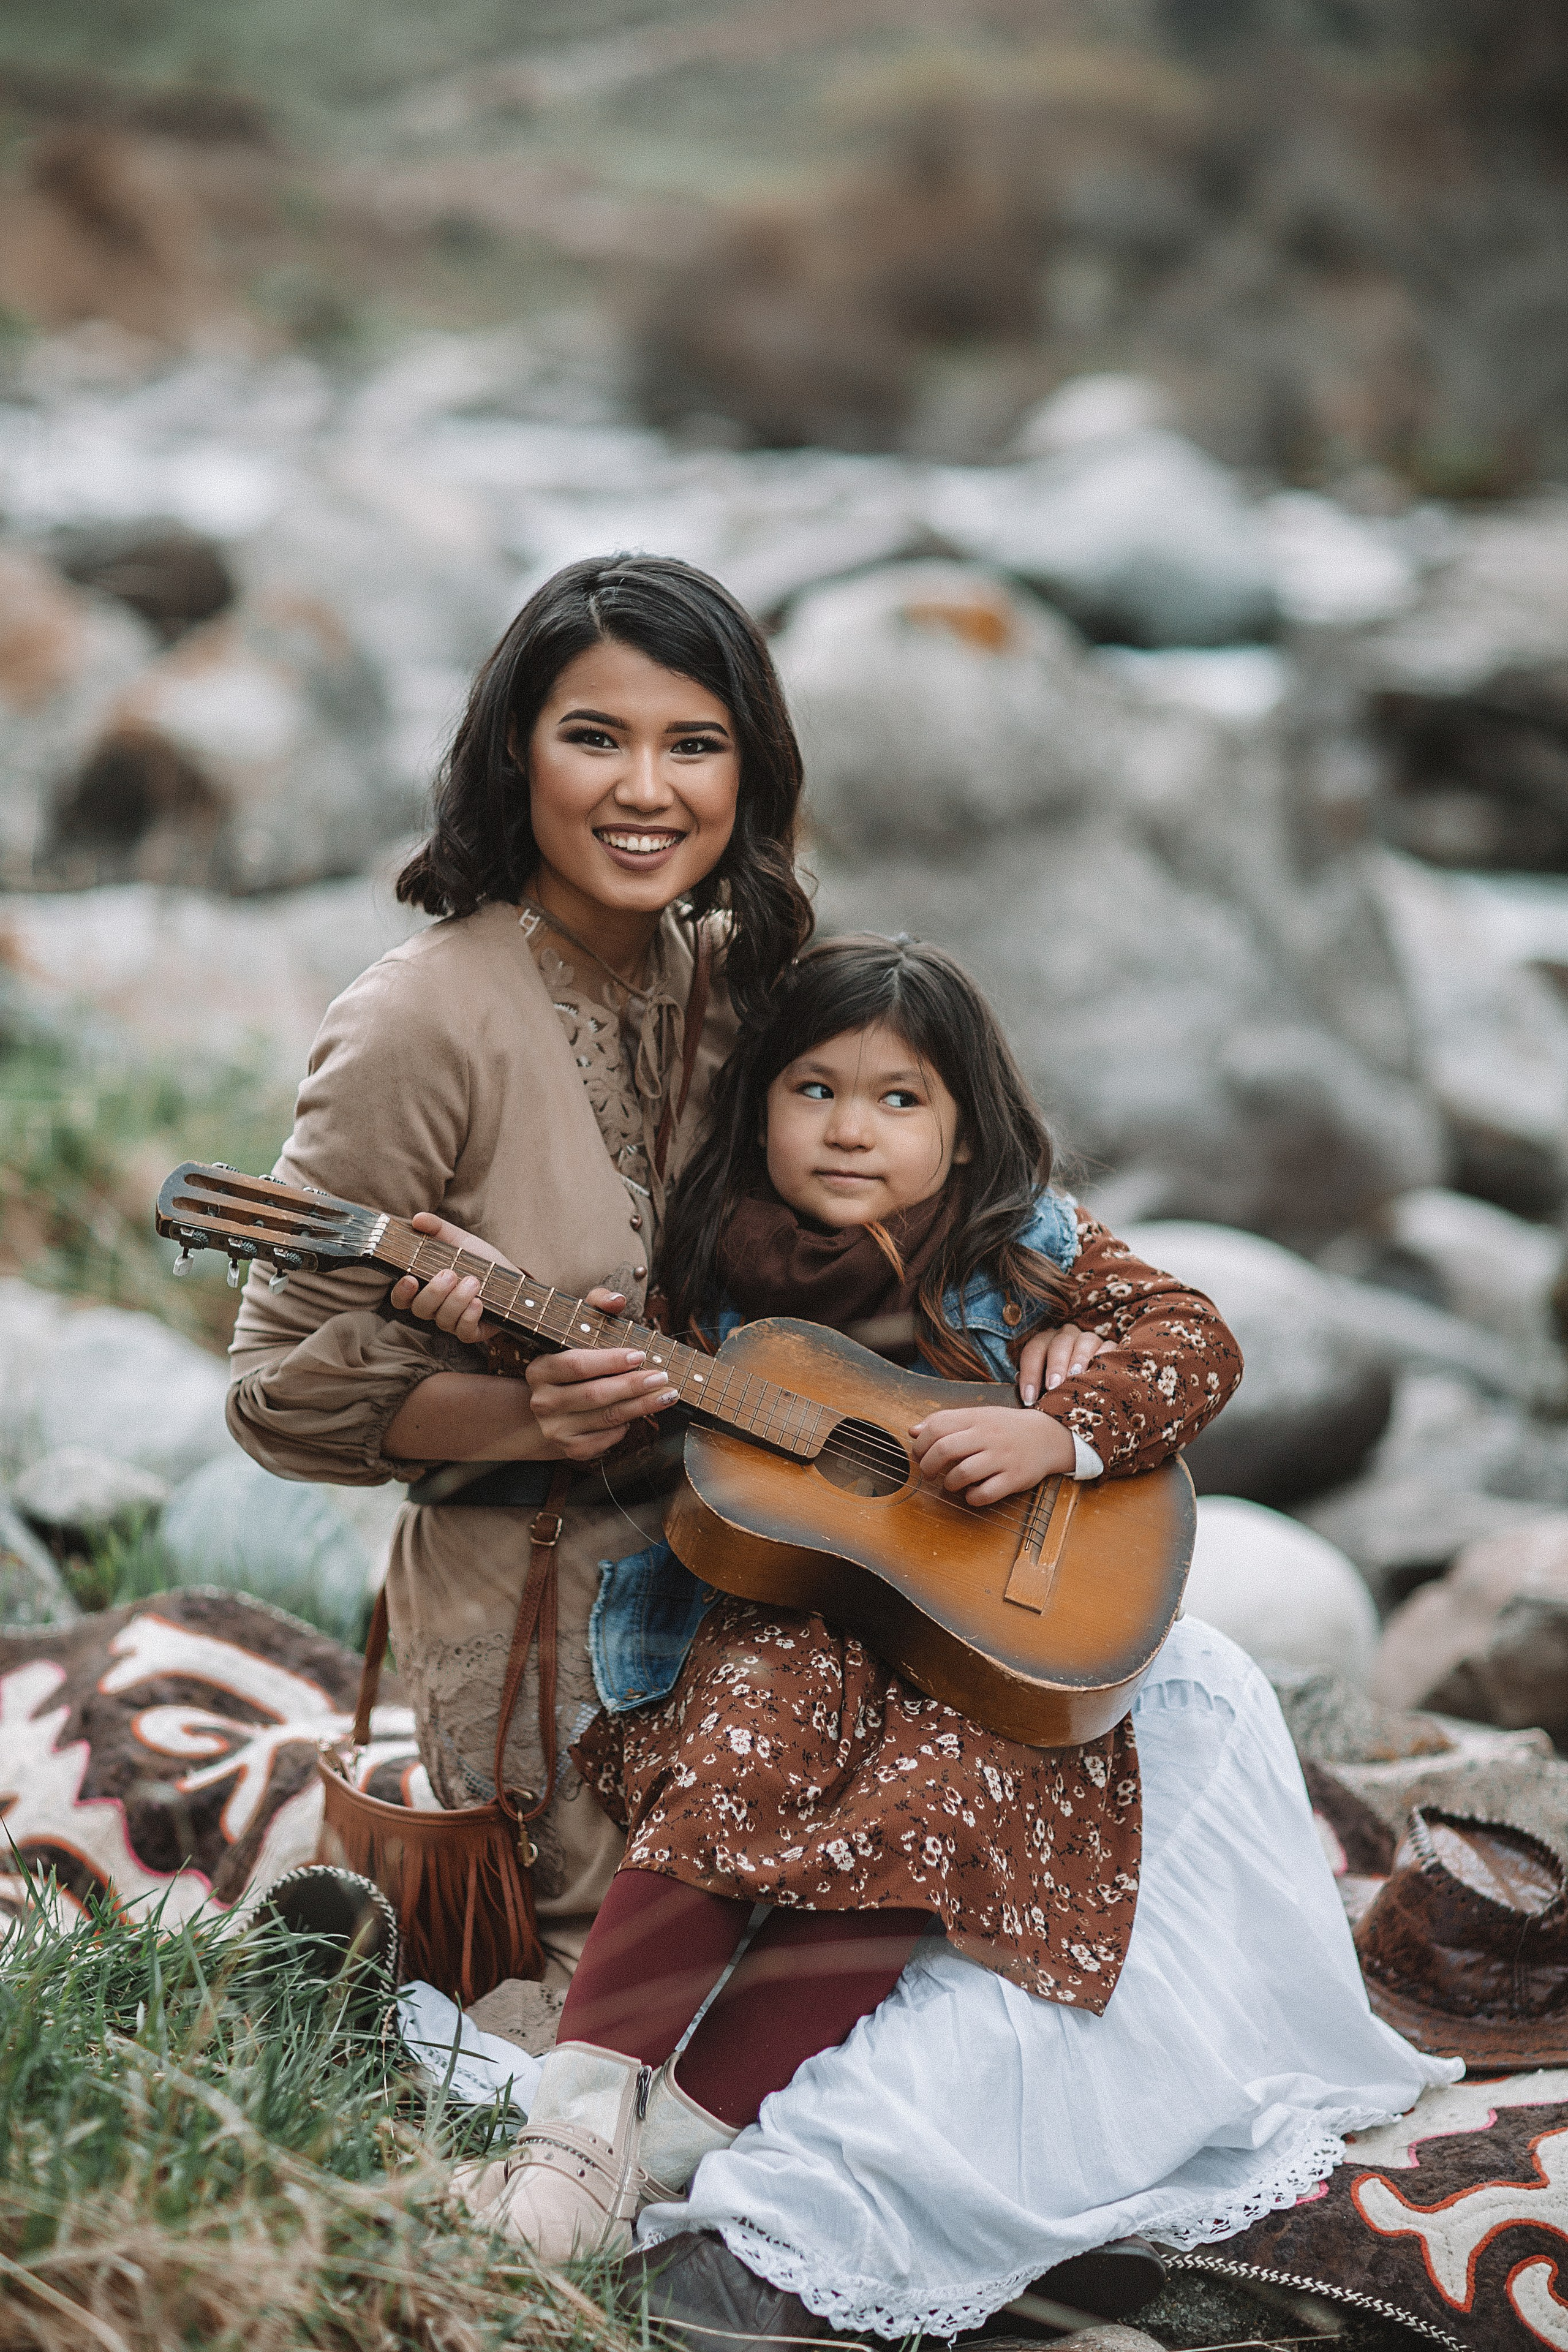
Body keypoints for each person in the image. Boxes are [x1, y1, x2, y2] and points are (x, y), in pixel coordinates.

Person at [478, 940, 1460, 2345]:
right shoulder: (697, 1250)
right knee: (740, 1748)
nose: (851, 1129)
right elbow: (635, 1418)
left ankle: (686, 2135)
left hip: (981, 1653)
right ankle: (575, 2133)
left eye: (899, 1099)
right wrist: (541, 1350)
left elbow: (1193, 1338)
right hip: (782, 1627)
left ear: (961, 1126)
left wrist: (1060, 1430)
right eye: (814, 1090)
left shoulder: (1022, 1238)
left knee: (941, 1815)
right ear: (757, 1104)